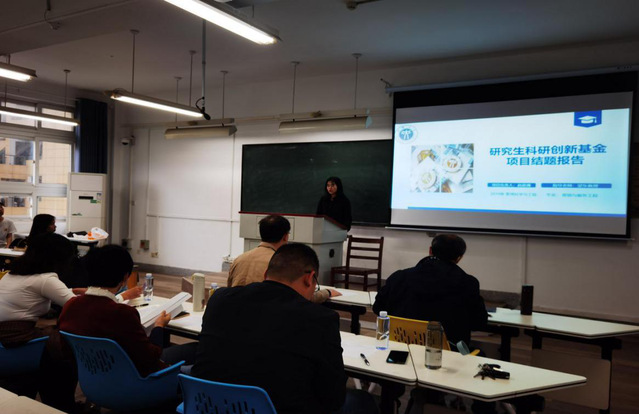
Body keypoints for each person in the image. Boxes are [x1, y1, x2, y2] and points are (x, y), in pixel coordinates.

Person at [193, 243, 347, 414]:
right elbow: (334, 397)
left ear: (266, 274)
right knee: (360, 400)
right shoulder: (320, 319)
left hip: (206, 406)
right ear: (309, 278)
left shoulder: (219, 299)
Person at [58, 245, 195, 378]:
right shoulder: (122, 313)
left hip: (91, 379)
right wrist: (158, 326)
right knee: (195, 349)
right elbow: (151, 358)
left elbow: (66, 350)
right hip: (137, 382)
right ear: (124, 278)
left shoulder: (70, 306)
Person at [0, 233, 83, 412]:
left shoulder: (12, 273)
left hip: (4, 339)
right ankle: (61, 405)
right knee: (66, 345)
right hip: (16, 341)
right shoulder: (46, 279)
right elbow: (79, 307)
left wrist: (67, 291)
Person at [373, 234, 487, 346]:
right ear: (459, 258)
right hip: (447, 352)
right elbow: (478, 323)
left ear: (430, 251)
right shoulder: (468, 283)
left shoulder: (399, 277)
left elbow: (378, 308)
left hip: (401, 347)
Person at [228, 214, 340, 303]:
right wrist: (327, 293)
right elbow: (299, 297)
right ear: (286, 236)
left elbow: (230, 291)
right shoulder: (280, 264)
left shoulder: (239, 259)